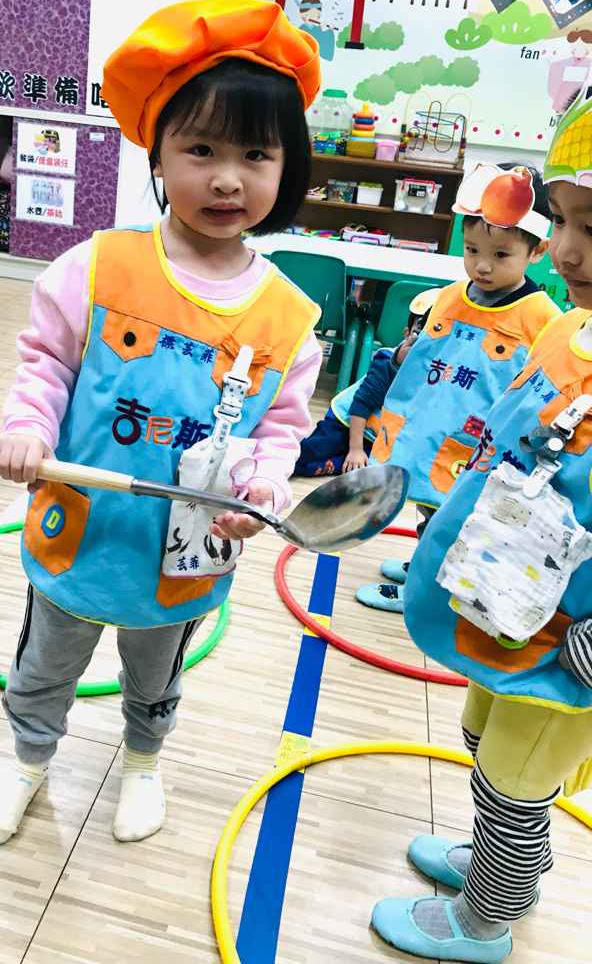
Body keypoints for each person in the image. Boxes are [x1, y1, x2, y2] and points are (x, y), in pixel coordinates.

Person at [0, 0, 324, 847]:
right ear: (158, 153)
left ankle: (141, 760)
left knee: (156, 675)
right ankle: (28, 761)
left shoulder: (289, 318)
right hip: (79, 530)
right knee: (45, 663)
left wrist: (262, 489)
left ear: (287, 168)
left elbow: (278, 431)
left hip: (186, 554)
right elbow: (46, 362)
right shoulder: (97, 266)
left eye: (256, 154)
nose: (227, 178)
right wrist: (28, 427)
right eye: (201, 149)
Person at [371, 84, 592, 964]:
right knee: (482, 736)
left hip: (569, 645)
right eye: (563, 221)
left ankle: (485, 918)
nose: (566, 251)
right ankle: (506, 865)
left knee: (515, 778)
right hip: (505, 604)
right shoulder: (570, 330)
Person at [356, 163, 561, 612]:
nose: (482, 265)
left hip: (481, 444)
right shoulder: (449, 297)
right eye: (471, 250)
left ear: (537, 251)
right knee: (429, 505)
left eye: (501, 255)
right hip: (433, 429)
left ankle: (423, 591)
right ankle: (421, 565)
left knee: (456, 519)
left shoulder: (544, 319)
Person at [294, 290, 439, 477]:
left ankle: (330, 464)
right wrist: (355, 449)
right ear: (406, 334)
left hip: (376, 435)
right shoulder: (388, 360)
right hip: (346, 423)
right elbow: (362, 403)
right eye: (420, 333)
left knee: (369, 468)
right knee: (306, 455)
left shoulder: (439, 373)